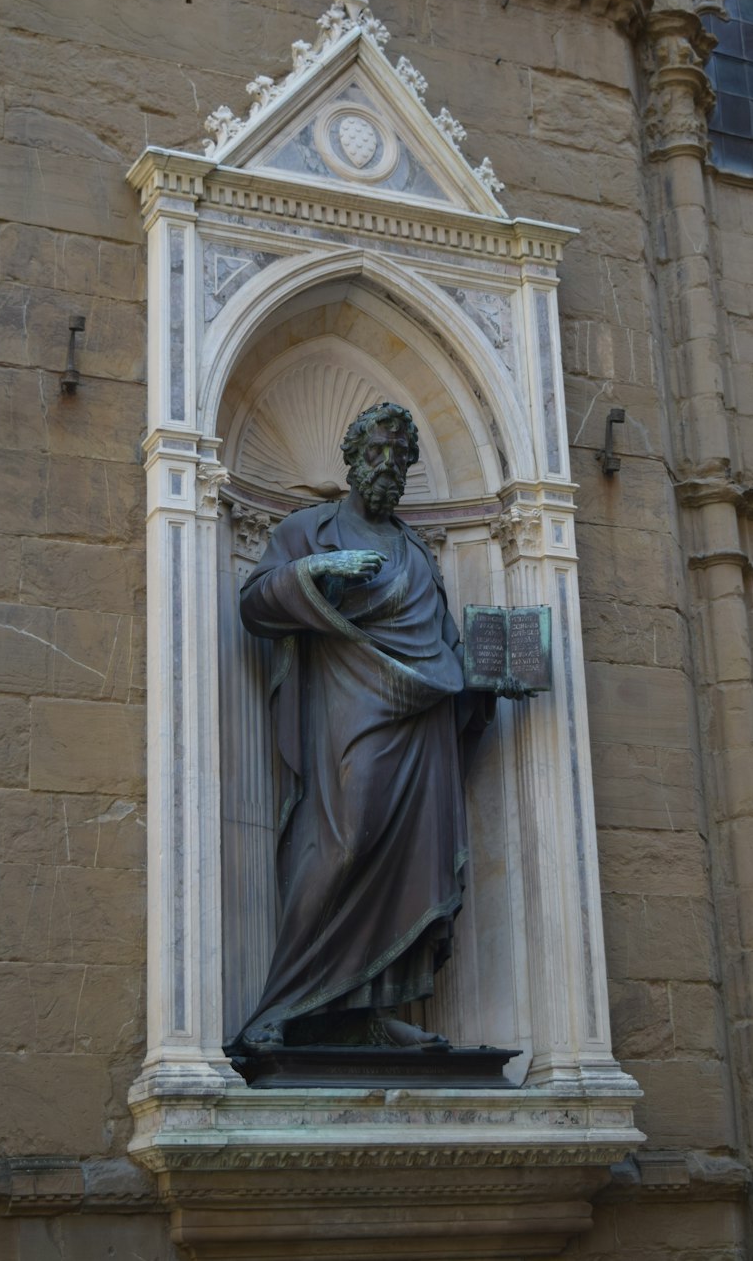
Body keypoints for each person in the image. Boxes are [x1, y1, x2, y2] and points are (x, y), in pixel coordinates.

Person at [227, 401, 522, 1052]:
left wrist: (486, 676)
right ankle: (283, 1004)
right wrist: (315, 572)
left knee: (414, 859)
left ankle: (372, 1014)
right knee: (342, 845)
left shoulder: (417, 549)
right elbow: (254, 602)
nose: (387, 465)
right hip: (350, 716)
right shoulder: (312, 530)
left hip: (424, 728)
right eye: (376, 453)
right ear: (353, 459)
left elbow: (443, 644)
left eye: (399, 456)